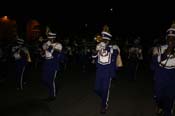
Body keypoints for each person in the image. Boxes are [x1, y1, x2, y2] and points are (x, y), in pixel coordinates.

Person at [92, 25, 121, 114]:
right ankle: (104, 97)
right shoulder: (98, 46)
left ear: (109, 40)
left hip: (108, 72)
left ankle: (104, 105)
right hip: (99, 70)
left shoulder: (114, 47)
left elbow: (115, 53)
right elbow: (93, 57)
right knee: (96, 89)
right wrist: (95, 51)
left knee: (105, 89)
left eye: (105, 40)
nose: (103, 41)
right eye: (102, 39)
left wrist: (106, 47)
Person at [151, 23, 175, 116]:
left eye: (173, 38)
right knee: (159, 97)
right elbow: (153, 65)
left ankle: (168, 111)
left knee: (169, 99)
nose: (171, 40)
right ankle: (159, 105)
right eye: (169, 38)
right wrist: (168, 51)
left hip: (172, 76)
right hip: (160, 76)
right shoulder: (158, 48)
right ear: (166, 38)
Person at [41, 31, 62, 101]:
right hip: (46, 62)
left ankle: (52, 95)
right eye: (48, 38)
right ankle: (53, 87)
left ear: (53, 38)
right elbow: (43, 54)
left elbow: (56, 54)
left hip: (53, 63)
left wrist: (49, 46)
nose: (49, 39)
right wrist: (42, 52)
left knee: (51, 80)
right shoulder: (46, 44)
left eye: (50, 38)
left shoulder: (58, 45)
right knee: (44, 79)